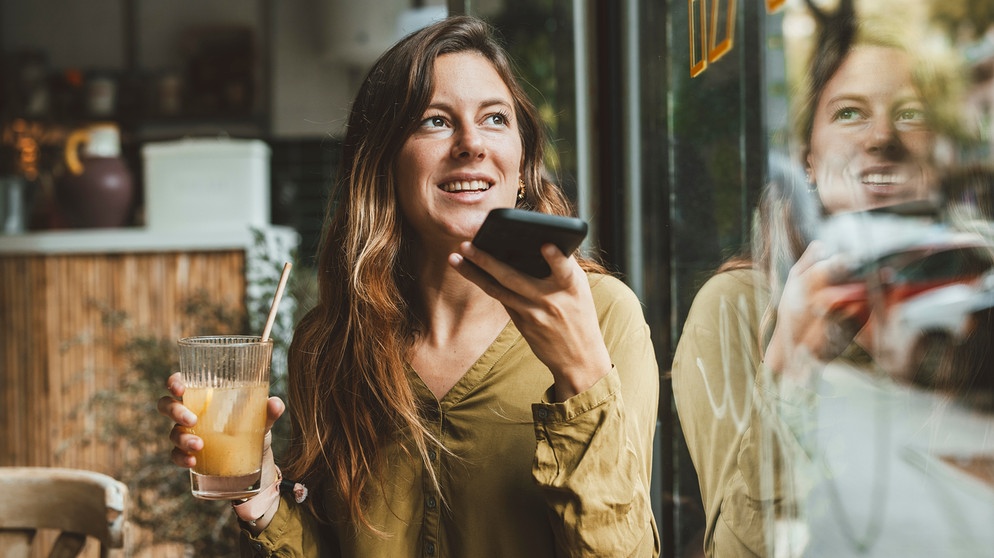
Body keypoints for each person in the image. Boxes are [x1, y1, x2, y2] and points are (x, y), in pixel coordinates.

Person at [159, 15, 660, 558]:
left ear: (521, 164)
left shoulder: (603, 317)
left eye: (495, 118)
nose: (471, 143)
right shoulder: (329, 341)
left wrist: (581, 374)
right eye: (435, 122)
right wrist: (260, 493)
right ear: (383, 164)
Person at [671, 0, 947, 556]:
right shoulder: (734, 310)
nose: (881, 137)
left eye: (911, 112)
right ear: (808, 161)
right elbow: (741, 548)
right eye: (849, 112)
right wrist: (792, 361)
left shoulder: (965, 298)